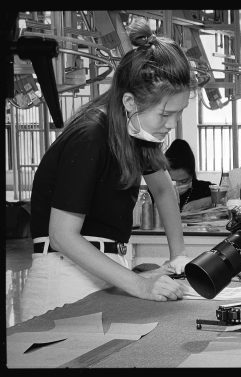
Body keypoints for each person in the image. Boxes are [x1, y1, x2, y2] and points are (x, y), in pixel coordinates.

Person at [22, 18, 196, 321]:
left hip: (108, 267)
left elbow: (163, 189)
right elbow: (62, 235)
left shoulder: (137, 132)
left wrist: (178, 257)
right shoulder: (91, 135)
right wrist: (140, 284)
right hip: (65, 274)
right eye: (165, 114)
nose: (171, 125)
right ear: (130, 101)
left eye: (178, 114)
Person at [165, 138, 212, 212]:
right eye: (172, 181)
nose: (178, 185)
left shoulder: (203, 189)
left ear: (192, 174)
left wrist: (206, 202)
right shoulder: (153, 192)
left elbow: (227, 197)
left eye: (183, 181)